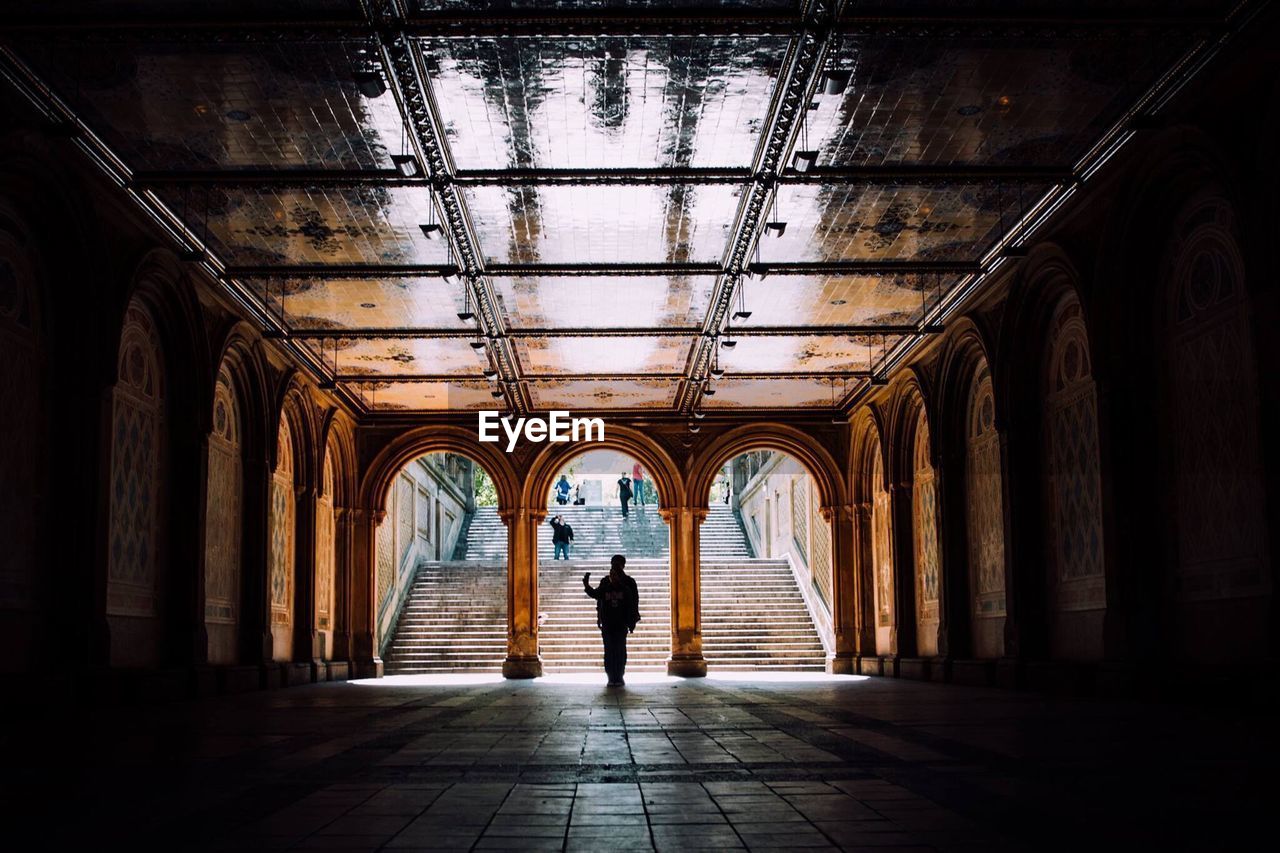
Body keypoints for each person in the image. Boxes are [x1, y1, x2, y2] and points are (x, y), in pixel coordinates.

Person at [582, 555, 640, 687]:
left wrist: (632, 621)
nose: (615, 567)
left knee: (619, 650)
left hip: (621, 623)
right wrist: (599, 617)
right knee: (609, 650)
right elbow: (598, 597)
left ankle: (619, 676)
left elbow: (634, 603)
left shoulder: (628, 584)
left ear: (623, 565)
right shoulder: (605, 584)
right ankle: (611, 677)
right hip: (608, 622)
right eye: (613, 564)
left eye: (618, 564)